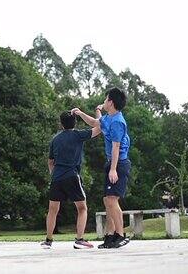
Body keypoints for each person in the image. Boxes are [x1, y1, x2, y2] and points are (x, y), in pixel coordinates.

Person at [73, 87, 131, 249]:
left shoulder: (118, 121)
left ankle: (120, 235)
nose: (104, 101)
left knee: (112, 200)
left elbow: (116, 146)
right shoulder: (109, 118)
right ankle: (110, 236)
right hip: (112, 162)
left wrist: (113, 169)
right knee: (107, 200)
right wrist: (80, 113)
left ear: (111, 102)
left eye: (105, 100)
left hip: (119, 163)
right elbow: (95, 122)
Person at [40, 111, 101, 249]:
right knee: (82, 208)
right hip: (72, 176)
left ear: (61, 124)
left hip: (56, 178)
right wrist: (97, 113)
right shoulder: (79, 135)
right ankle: (79, 240)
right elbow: (99, 128)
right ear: (75, 122)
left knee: (52, 210)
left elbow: (50, 161)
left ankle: (48, 241)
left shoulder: (55, 139)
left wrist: (53, 175)